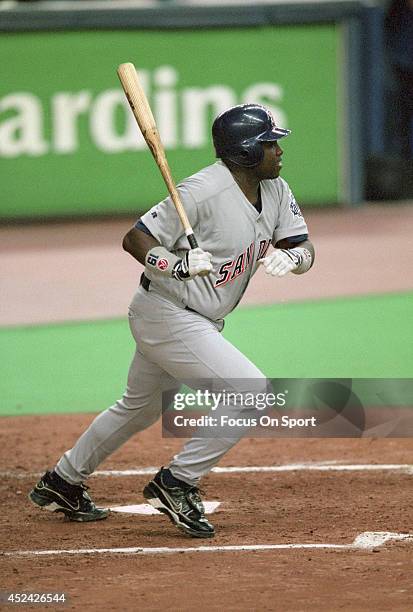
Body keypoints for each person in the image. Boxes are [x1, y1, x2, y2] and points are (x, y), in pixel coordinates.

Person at [29, 104, 315, 538]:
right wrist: (174, 264)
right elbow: (135, 238)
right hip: (167, 313)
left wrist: (294, 258)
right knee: (251, 393)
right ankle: (176, 482)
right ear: (242, 153)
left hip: (194, 319)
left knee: (138, 408)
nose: (278, 151)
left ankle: (63, 480)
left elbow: (304, 247)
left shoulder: (276, 190)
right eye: (269, 144)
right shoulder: (201, 191)